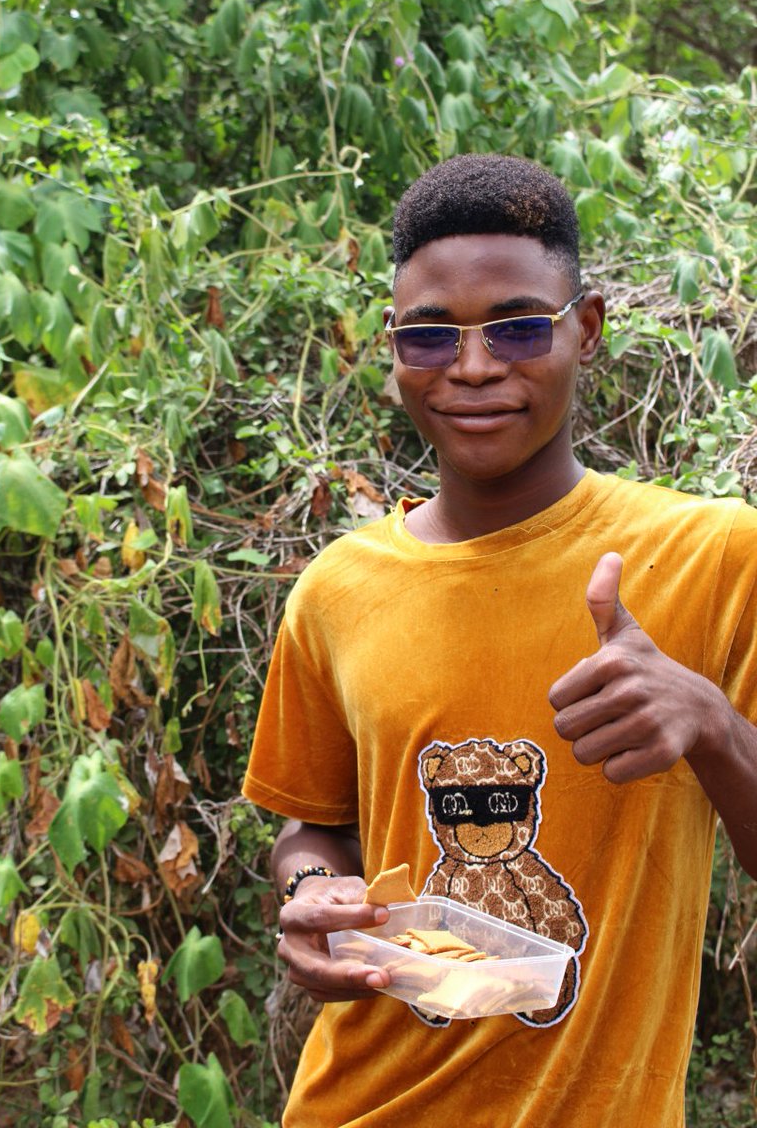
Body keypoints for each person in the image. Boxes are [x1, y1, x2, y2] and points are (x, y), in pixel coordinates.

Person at [242, 153, 757, 1127]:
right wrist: (314, 892)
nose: (474, 368)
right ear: (391, 349)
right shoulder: (335, 593)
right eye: (430, 336)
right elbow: (310, 824)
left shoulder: (716, 557)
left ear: (585, 331)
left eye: (518, 327)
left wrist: (710, 723)